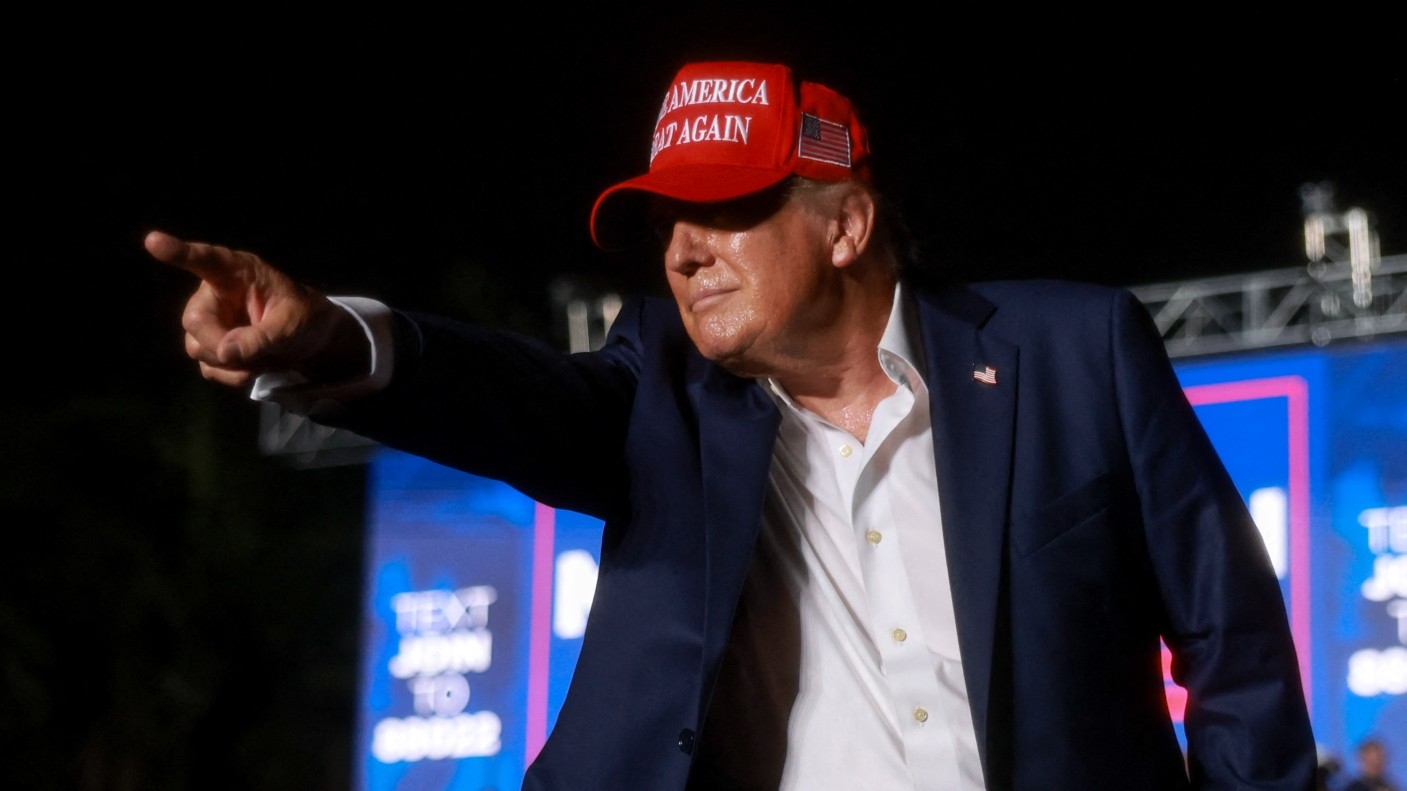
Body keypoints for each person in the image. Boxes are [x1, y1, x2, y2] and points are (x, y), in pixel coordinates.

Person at [147, 60, 1316, 790]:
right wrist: (329, 342)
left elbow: (1236, 639)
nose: (682, 249)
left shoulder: (1077, 352)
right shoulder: (662, 386)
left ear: (847, 223)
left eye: (722, 211)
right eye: (667, 218)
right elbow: (513, 397)